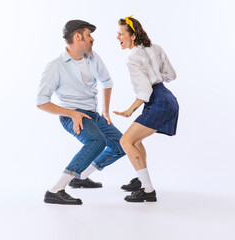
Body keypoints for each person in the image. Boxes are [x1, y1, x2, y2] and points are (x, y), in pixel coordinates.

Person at [37, 20, 125, 205]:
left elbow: (106, 82)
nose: (92, 39)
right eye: (88, 35)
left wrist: (105, 112)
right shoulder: (56, 66)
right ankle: (56, 189)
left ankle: (81, 177)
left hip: (93, 114)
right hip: (72, 115)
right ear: (78, 37)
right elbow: (42, 102)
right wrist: (72, 114)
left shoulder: (93, 57)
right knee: (96, 141)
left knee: (122, 144)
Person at [113, 16, 179, 202]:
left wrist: (130, 110)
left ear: (133, 36)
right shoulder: (156, 48)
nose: (118, 37)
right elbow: (171, 75)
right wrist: (156, 76)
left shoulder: (132, 58)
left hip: (157, 101)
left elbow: (145, 91)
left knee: (126, 141)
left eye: (120, 34)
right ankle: (141, 181)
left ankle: (148, 190)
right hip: (167, 98)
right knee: (136, 140)